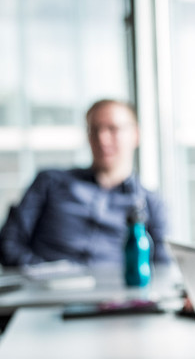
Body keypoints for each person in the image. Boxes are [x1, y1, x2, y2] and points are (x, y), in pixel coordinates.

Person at [0, 99, 170, 267]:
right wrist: (43, 272)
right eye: (94, 130)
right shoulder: (49, 183)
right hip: (46, 290)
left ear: (135, 135)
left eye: (113, 129)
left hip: (115, 292)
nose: (102, 139)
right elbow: (8, 245)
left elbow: (163, 267)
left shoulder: (150, 203)